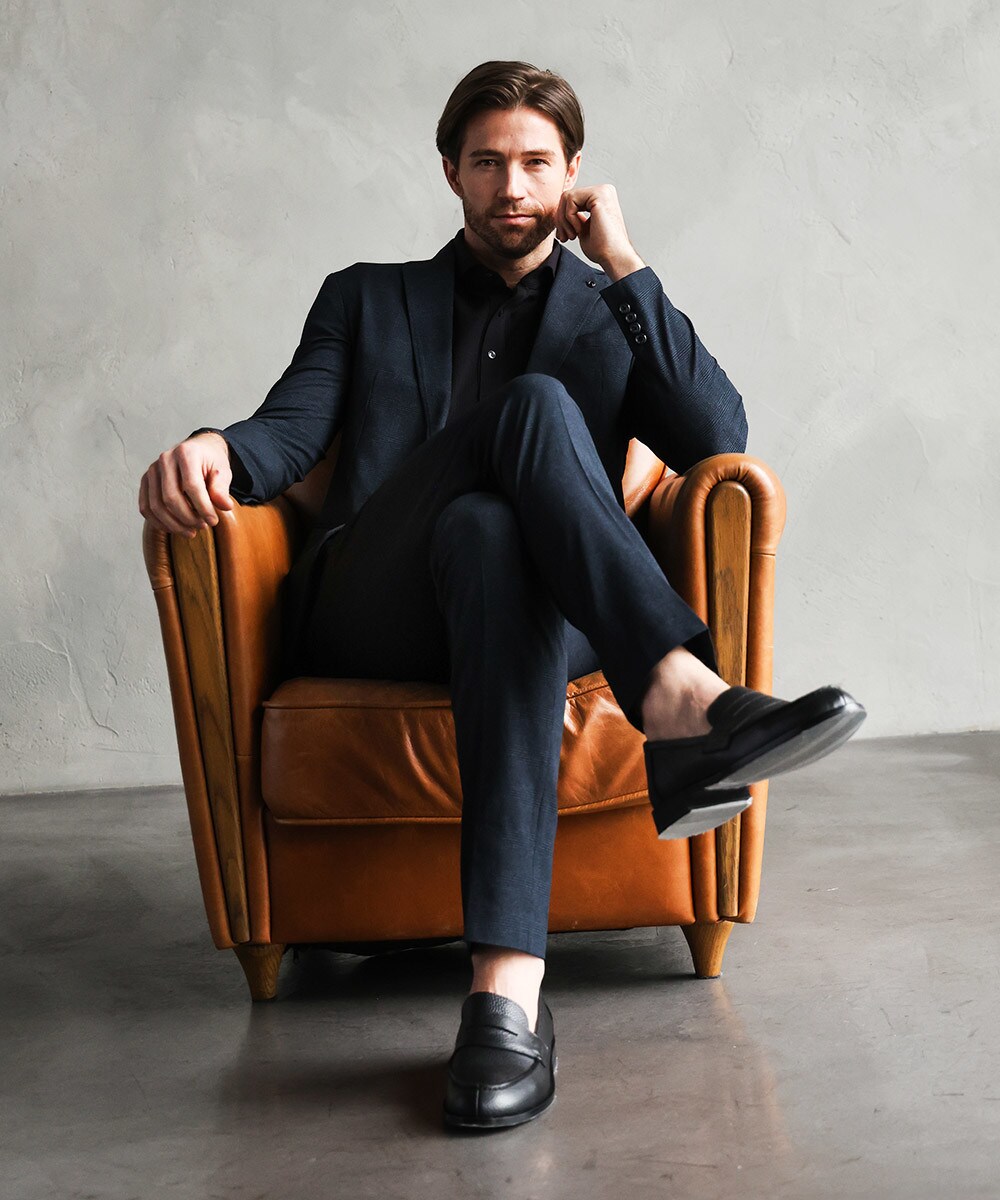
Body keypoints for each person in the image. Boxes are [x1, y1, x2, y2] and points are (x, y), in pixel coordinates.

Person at [139, 60, 865, 1132]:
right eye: (487, 162)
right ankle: (677, 692)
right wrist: (216, 446)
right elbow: (291, 431)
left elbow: (717, 438)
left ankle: (504, 998)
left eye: (535, 163)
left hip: (534, 616)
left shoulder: (609, 310)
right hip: (376, 609)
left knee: (489, 537)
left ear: (572, 175)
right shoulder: (366, 296)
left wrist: (624, 265)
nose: (511, 186)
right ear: (451, 173)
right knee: (528, 412)